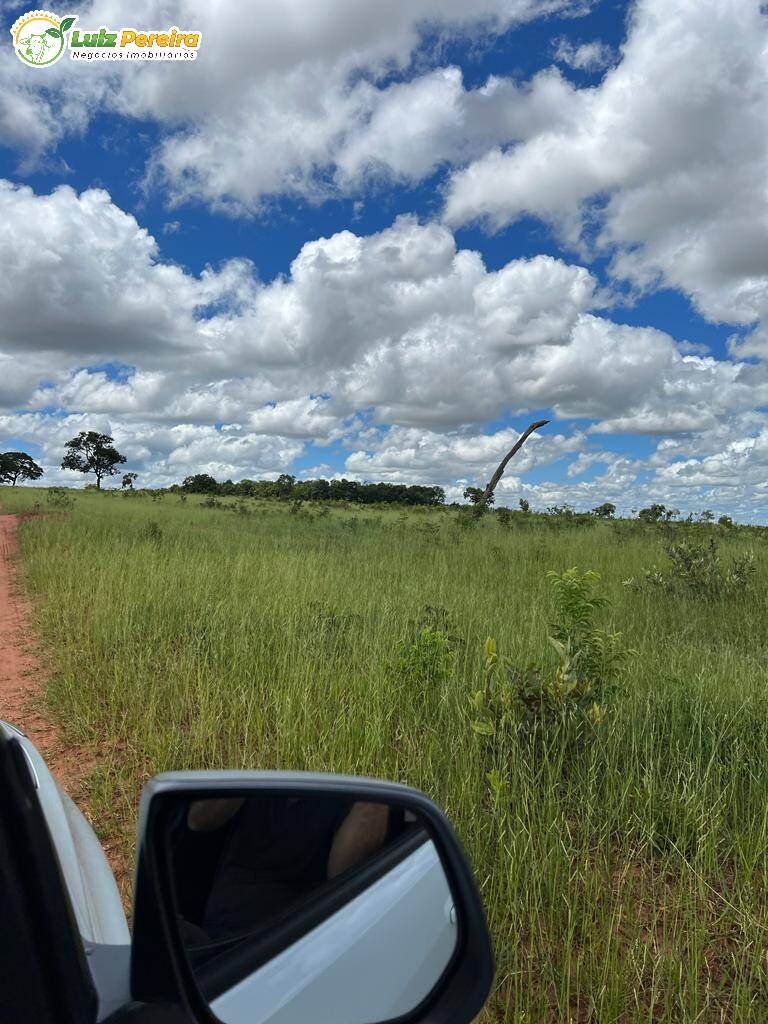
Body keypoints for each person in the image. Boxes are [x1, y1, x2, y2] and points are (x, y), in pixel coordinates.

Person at [182, 795, 390, 940]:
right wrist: (254, 754)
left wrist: (376, 788)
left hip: (292, 940)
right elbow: (198, 820)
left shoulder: (346, 789)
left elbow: (343, 879)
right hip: (221, 935)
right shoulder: (258, 765)